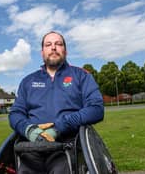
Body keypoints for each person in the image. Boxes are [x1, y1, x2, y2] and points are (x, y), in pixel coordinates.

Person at [9, 31, 104, 174]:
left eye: (58, 44)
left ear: (65, 51)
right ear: (42, 52)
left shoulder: (81, 76)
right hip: (32, 146)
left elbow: (96, 109)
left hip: (67, 145)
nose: (53, 48)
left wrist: (59, 127)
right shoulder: (28, 81)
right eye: (48, 45)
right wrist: (29, 130)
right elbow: (15, 113)